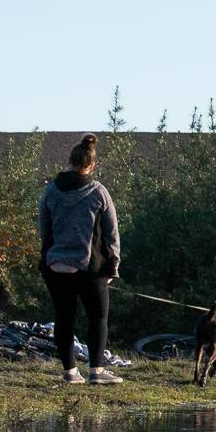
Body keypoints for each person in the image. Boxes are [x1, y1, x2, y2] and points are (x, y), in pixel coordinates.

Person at [38, 133, 122, 385]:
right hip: (91, 268)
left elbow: (44, 229)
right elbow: (112, 233)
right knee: (98, 318)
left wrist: (49, 255)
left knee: (64, 318)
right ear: (92, 164)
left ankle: (70, 372)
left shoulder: (50, 191)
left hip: (56, 265)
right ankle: (97, 370)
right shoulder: (98, 192)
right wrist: (113, 265)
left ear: (71, 161)